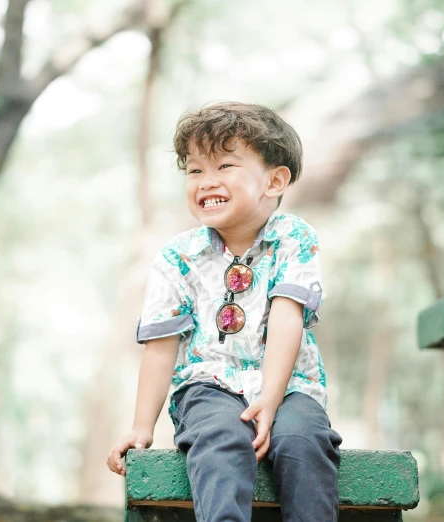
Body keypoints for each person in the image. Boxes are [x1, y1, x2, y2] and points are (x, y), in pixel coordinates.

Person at [106, 102, 342, 522]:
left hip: (291, 388)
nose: (206, 182)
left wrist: (270, 398)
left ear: (274, 180)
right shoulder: (177, 256)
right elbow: (161, 347)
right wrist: (142, 427)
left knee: (302, 440)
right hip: (207, 387)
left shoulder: (293, 238)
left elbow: (288, 317)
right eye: (195, 170)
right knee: (220, 437)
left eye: (225, 166)